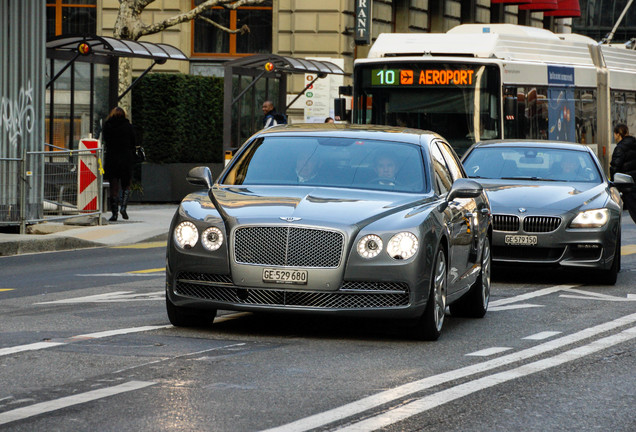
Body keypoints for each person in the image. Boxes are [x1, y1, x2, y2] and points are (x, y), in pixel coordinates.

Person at [102, 107, 136, 221]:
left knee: (114, 187)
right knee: (126, 184)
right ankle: (124, 207)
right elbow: (133, 142)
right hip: (126, 159)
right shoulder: (128, 126)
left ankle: (114, 214)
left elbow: (105, 141)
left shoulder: (108, 126)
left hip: (112, 158)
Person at [610, 123, 636, 223]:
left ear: (617, 134)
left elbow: (615, 168)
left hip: (628, 186)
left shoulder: (620, 148)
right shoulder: (634, 143)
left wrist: (613, 183)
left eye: (614, 134)